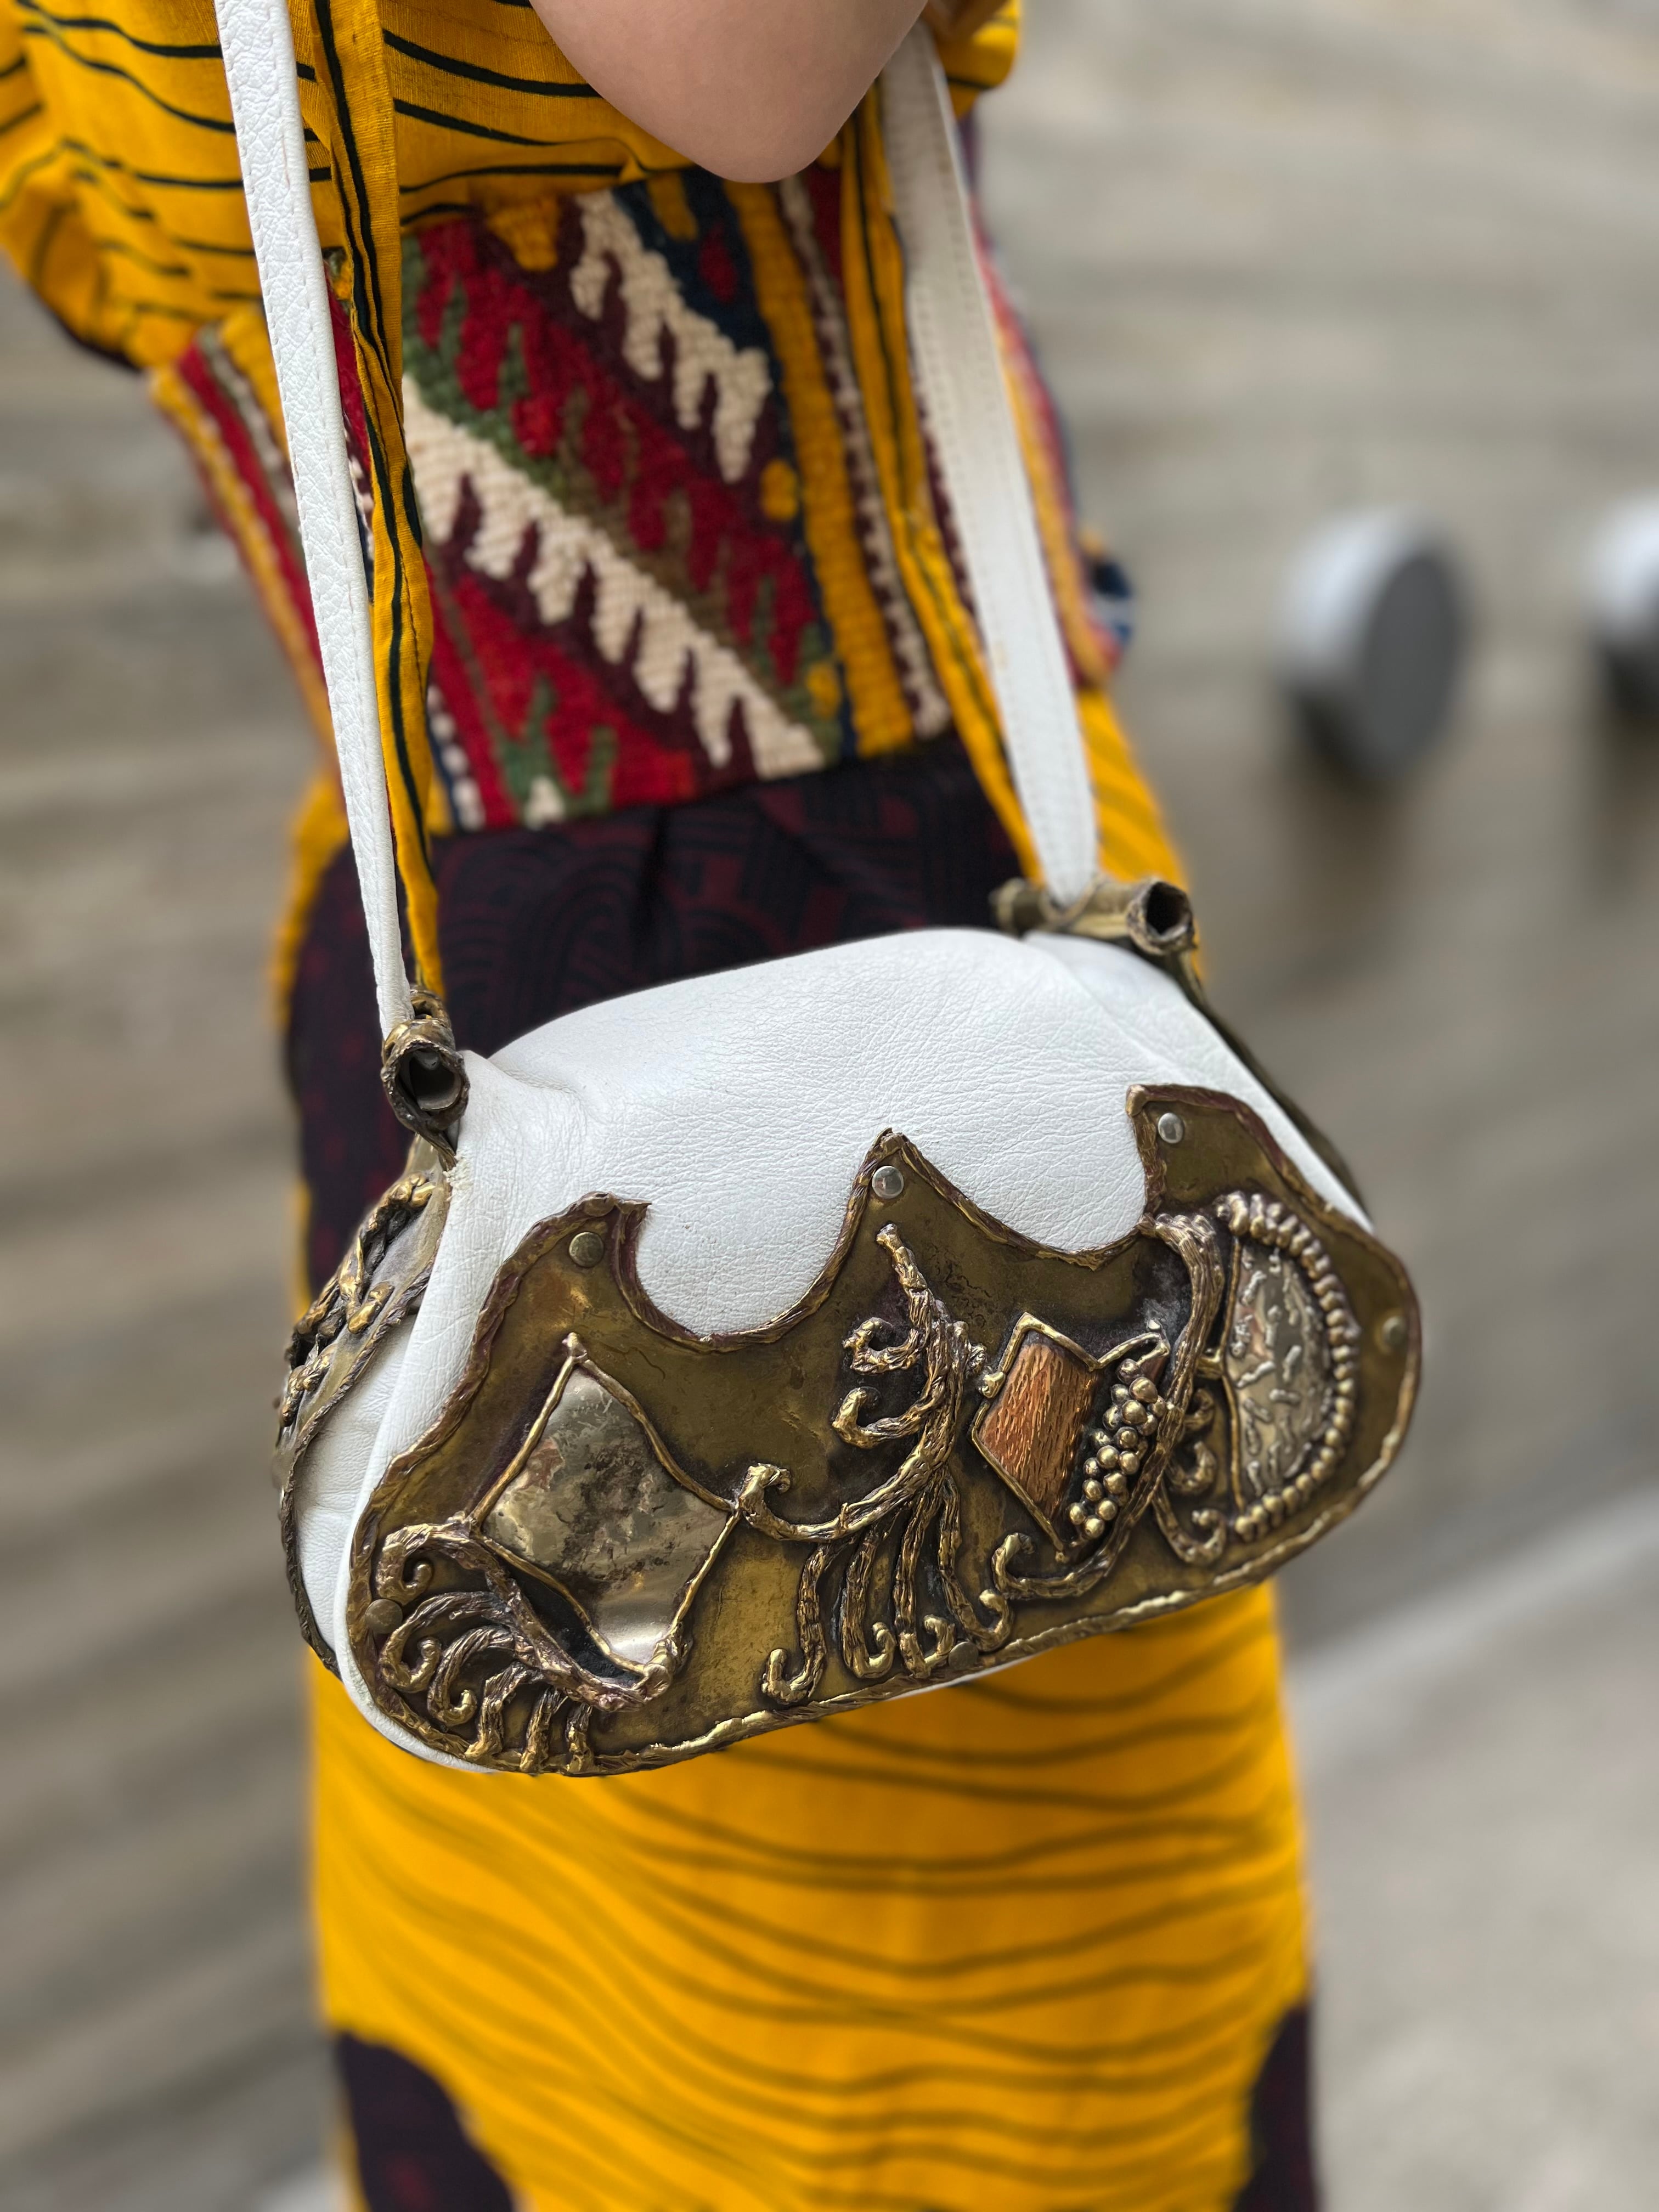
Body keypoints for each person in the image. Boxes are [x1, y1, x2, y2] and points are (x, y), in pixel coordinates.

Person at [0, 0, 1317, 2202]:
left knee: (643, 2012)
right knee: (972, 2048)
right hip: (854, 973)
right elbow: (744, 70)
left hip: (502, 968)